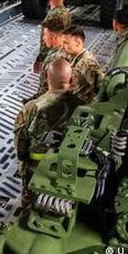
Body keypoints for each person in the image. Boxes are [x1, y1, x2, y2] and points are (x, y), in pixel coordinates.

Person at [14, 58, 83, 208]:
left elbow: (20, 149)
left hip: (36, 171)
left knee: (31, 208)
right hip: (68, 171)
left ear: (46, 78)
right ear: (71, 80)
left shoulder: (31, 108)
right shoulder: (82, 108)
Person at [28, 17, 68, 101]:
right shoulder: (61, 50)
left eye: (45, 34)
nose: (43, 38)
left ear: (53, 36)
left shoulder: (56, 58)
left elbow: (48, 91)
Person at [62, 26, 103, 103]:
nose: (63, 46)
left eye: (66, 43)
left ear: (78, 43)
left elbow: (100, 89)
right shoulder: (73, 57)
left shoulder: (88, 63)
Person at [34, 0, 71, 73]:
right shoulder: (67, 13)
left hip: (51, 54)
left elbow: (46, 40)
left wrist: (41, 58)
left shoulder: (51, 16)